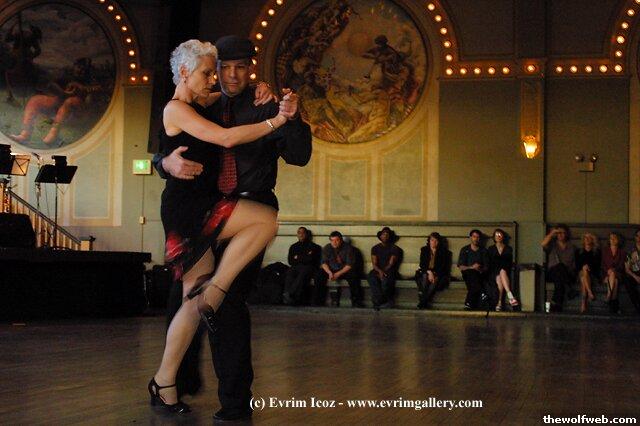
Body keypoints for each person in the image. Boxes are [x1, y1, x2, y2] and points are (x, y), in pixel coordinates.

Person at [153, 35, 311, 421]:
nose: (229, 75)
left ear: (251, 68)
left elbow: (299, 155)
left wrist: (289, 117)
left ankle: (234, 402)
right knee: (187, 302)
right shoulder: (200, 102)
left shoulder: (263, 102)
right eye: (221, 69)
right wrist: (162, 163)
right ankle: (169, 383)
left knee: (227, 307)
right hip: (199, 209)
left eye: (241, 67)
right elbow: (170, 142)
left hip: (245, 205)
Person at [314, 231, 364, 307]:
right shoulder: (327, 247)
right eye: (332, 240)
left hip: (344, 270)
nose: (334, 243)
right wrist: (329, 272)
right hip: (331, 270)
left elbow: (349, 265)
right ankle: (318, 301)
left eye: (336, 240)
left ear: (341, 240)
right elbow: (323, 263)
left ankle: (356, 301)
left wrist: (338, 273)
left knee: (353, 276)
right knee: (319, 275)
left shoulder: (348, 248)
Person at [541, 225, 577, 312]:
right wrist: (552, 233)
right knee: (560, 267)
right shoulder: (552, 245)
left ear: (566, 234)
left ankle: (556, 304)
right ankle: (569, 289)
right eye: (558, 233)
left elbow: (574, 264)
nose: (560, 235)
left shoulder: (572, 247)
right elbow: (543, 244)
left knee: (559, 281)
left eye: (563, 233)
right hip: (552, 273)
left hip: (567, 274)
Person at [283, 226, 321, 305]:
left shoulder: (314, 246)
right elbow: (290, 261)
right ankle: (288, 295)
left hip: (309, 267)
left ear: (306, 234)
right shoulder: (293, 247)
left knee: (303, 272)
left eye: (303, 233)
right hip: (296, 267)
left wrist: (298, 257)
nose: (301, 234)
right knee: (290, 272)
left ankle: (290, 294)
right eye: (299, 233)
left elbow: (312, 260)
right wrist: (305, 257)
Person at [367, 226, 401, 309]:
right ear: (380, 236)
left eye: (387, 235)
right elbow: (374, 263)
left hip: (389, 270)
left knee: (385, 280)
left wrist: (383, 272)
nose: (385, 236)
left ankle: (379, 301)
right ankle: (380, 300)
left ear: (390, 237)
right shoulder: (375, 248)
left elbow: (391, 263)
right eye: (383, 234)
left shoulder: (395, 248)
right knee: (371, 277)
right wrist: (379, 271)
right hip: (377, 269)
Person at [487, 229, 518, 311]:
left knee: (502, 273)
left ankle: (499, 302)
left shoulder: (508, 248)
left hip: (505, 269)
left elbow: (509, 261)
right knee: (499, 276)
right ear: (494, 237)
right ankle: (510, 296)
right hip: (494, 270)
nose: (498, 236)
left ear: (503, 236)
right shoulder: (491, 248)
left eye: (500, 235)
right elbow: (489, 262)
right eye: (496, 235)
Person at [415, 232, 448, 309]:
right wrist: (429, 272)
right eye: (432, 240)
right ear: (429, 241)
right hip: (424, 271)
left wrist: (434, 274)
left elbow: (443, 266)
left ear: (439, 242)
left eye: (436, 240)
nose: (434, 242)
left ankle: (422, 302)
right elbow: (422, 264)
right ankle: (424, 302)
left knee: (434, 282)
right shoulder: (424, 250)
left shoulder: (442, 251)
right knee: (425, 276)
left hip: (437, 272)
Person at [457, 229, 488, 310]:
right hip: (467, 274)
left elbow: (486, 267)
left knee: (474, 281)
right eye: (474, 236)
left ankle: (468, 304)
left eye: (478, 237)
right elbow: (461, 266)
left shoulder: (483, 251)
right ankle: (482, 292)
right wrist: (472, 267)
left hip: (480, 274)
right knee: (472, 273)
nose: (476, 239)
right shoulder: (465, 249)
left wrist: (479, 269)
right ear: (470, 237)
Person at [601, 232, 625, 314]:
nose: (613, 239)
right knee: (615, 282)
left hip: (617, 273)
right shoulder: (605, 250)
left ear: (618, 240)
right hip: (606, 274)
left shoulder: (622, 252)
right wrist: (607, 271)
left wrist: (613, 270)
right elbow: (602, 264)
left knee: (614, 276)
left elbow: (621, 266)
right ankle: (615, 306)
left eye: (615, 238)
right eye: (611, 238)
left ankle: (608, 296)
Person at [576, 233, 600, 314]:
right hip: (580, 273)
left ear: (593, 240)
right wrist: (583, 267)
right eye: (585, 237)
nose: (586, 239)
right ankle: (590, 292)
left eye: (589, 237)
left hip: (593, 274)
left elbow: (597, 265)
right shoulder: (578, 251)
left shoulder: (596, 252)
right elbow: (577, 265)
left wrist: (588, 267)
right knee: (583, 273)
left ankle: (583, 304)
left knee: (584, 278)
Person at [624, 229, 640, 314]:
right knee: (627, 281)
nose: (639, 238)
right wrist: (635, 276)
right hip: (634, 273)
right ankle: (638, 305)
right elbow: (627, 269)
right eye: (637, 236)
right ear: (635, 237)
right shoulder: (631, 251)